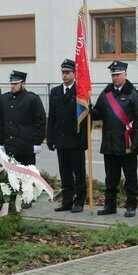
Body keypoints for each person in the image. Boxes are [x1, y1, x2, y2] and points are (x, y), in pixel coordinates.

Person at [91, 60, 138, 217]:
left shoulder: (134, 95)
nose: (115, 78)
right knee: (110, 179)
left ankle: (131, 205)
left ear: (125, 75)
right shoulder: (106, 94)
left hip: (128, 145)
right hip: (109, 144)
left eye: (118, 74)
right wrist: (87, 108)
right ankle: (110, 205)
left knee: (130, 179)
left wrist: (137, 143)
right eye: (113, 75)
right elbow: (98, 113)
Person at [46, 58, 88, 213]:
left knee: (79, 174)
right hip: (61, 140)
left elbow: (84, 119)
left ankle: (79, 201)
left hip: (76, 141)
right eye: (63, 72)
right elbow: (52, 117)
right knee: (65, 173)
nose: (64, 75)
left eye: (67, 72)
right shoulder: (55, 92)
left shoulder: (80, 92)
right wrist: (50, 138)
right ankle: (67, 200)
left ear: (74, 73)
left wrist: (84, 141)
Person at [0, 69, 45, 169]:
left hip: (26, 149)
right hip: (9, 147)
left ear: (23, 83)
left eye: (16, 83)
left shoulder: (32, 99)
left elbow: (40, 122)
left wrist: (37, 142)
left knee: (27, 178)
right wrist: (0, 142)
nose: (13, 86)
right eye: (12, 83)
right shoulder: (4, 99)